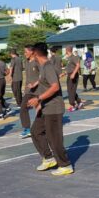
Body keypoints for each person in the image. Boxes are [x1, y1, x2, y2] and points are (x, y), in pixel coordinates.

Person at [27, 42, 73, 176]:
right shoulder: (42, 67)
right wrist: (41, 104)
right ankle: (48, 158)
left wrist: (39, 99)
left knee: (54, 138)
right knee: (35, 131)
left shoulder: (48, 67)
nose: (29, 54)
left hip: (54, 108)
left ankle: (65, 165)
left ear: (35, 53)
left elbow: (55, 87)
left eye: (30, 52)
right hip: (46, 107)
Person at [21, 45, 40, 139]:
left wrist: (35, 84)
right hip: (28, 91)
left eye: (25, 52)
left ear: (31, 52)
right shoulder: (26, 62)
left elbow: (43, 75)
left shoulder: (37, 61)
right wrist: (25, 90)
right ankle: (27, 129)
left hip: (38, 90)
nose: (24, 54)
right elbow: (27, 78)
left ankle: (40, 127)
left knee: (39, 109)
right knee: (23, 108)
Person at [8, 49, 25, 127]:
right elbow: (22, 68)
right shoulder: (20, 59)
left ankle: (19, 103)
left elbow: (11, 68)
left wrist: (10, 75)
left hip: (16, 77)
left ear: (11, 54)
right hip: (20, 77)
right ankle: (20, 101)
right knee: (17, 90)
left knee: (16, 90)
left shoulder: (13, 59)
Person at [64, 46, 82, 112]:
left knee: (71, 91)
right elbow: (70, 67)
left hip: (73, 75)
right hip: (69, 75)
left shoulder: (74, 57)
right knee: (70, 90)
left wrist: (74, 73)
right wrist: (64, 73)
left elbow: (78, 65)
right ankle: (79, 102)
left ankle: (73, 105)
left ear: (67, 50)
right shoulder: (69, 58)